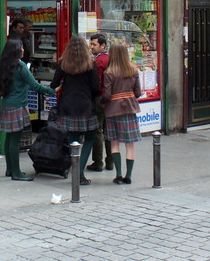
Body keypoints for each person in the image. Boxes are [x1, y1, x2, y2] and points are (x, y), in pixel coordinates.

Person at [0, 39, 54, 181]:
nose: (23, 50)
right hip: (18, 105)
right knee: (15, 139)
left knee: (9, 138)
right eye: (21, 48)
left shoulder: (4, 65)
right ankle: (16, 172)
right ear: (15, 50)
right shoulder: (20, 67)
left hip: (7, 104)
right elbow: (35, 85)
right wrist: (51, 91)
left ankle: (9, 169)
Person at [50, 35, 100, 185]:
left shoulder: (63, 63)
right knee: (90, 138)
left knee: (73, 140)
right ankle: (79, 172)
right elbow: (96, 87)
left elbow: (54, 84)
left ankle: (75, 169)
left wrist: (63, 87)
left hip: (68, 106)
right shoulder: (90, 63)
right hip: (85, 106)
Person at [102, 42, 142, 185]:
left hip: (113, 110)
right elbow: (138, 92)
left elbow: (106, 94)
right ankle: (128, 176)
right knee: (130, 145)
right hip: (129, 109)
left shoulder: (109, 72)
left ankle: (118, 175)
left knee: (114, 143)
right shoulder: (133, 70)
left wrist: (103, 103)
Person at [86, 33, 113, 172]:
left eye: (94, 44)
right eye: (91, 44)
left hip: (99, 98)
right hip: (110, 98)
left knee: (98, 130)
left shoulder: (99, 61)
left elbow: (96, 83)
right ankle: (110, 161)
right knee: (109, 130)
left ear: (103, 45)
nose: (91, 47)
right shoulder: (110, 59)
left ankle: (98, 161)